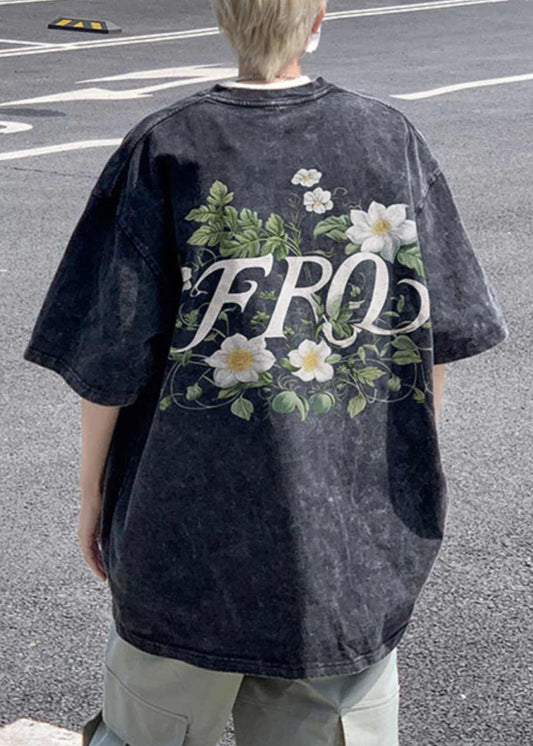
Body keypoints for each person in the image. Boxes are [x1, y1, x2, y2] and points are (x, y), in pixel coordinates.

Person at [22, 0, 509, 744]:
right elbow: (429, 341)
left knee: (149, 729)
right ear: (316, 18)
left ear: (224, 17)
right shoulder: (388, 138)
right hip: (343, 546)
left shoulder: (167, 145)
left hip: (182, 539)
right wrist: (409, 474)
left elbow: (108, 361)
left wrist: (93, 498)